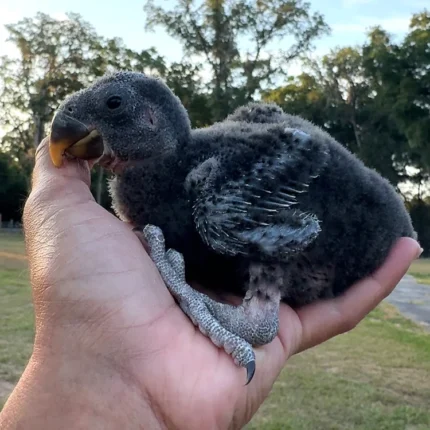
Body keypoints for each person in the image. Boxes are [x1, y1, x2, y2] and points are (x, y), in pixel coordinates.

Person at [0, 137, 421, 430]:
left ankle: (259, 308)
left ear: (152, 118)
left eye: (114, 107)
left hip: (344, 242)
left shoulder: (207, 181)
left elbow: (297, 206)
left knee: (224, 213)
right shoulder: (171, 189)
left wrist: (185, 292)